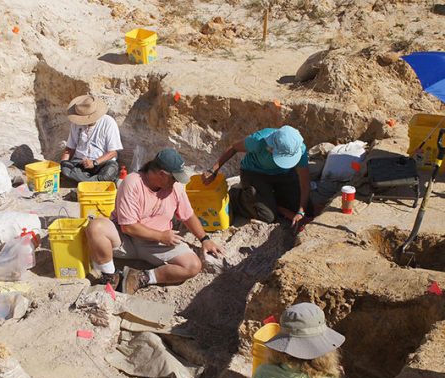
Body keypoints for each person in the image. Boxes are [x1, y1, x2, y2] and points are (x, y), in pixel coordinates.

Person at [85, 148, 224, 294]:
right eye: (174, 178)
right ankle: (109, 277)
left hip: (157, 245)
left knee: (192, 266)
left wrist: (205, 239)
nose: (176, 182)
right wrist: (162, 236)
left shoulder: (175, 187)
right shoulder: (132, 182)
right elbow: (128, 227)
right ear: (162, 174)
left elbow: (188, 215)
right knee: (96, 227)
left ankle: (141, 277)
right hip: (126, 240)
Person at [202, 125, 313, 228]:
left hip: (283, 174)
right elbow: (234, 148)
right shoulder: (258, 141)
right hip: (255, 173)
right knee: (267, 216)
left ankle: (272, 202)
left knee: (308, 208)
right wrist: (214, 170)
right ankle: (238, 197)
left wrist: (300, 212)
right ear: (271, 148)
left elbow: (304, 182)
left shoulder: (299, 149)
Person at [60, 95, 123, 183]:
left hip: (101, 163)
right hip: (80, 162)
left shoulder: (108, 122)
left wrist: (94, 162)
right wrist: (63, 163)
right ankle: (96, 181)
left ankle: (87, 180)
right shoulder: (75, 124)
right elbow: (70, 149)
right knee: (65, 170)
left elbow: (113, 152)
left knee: (111, 169)